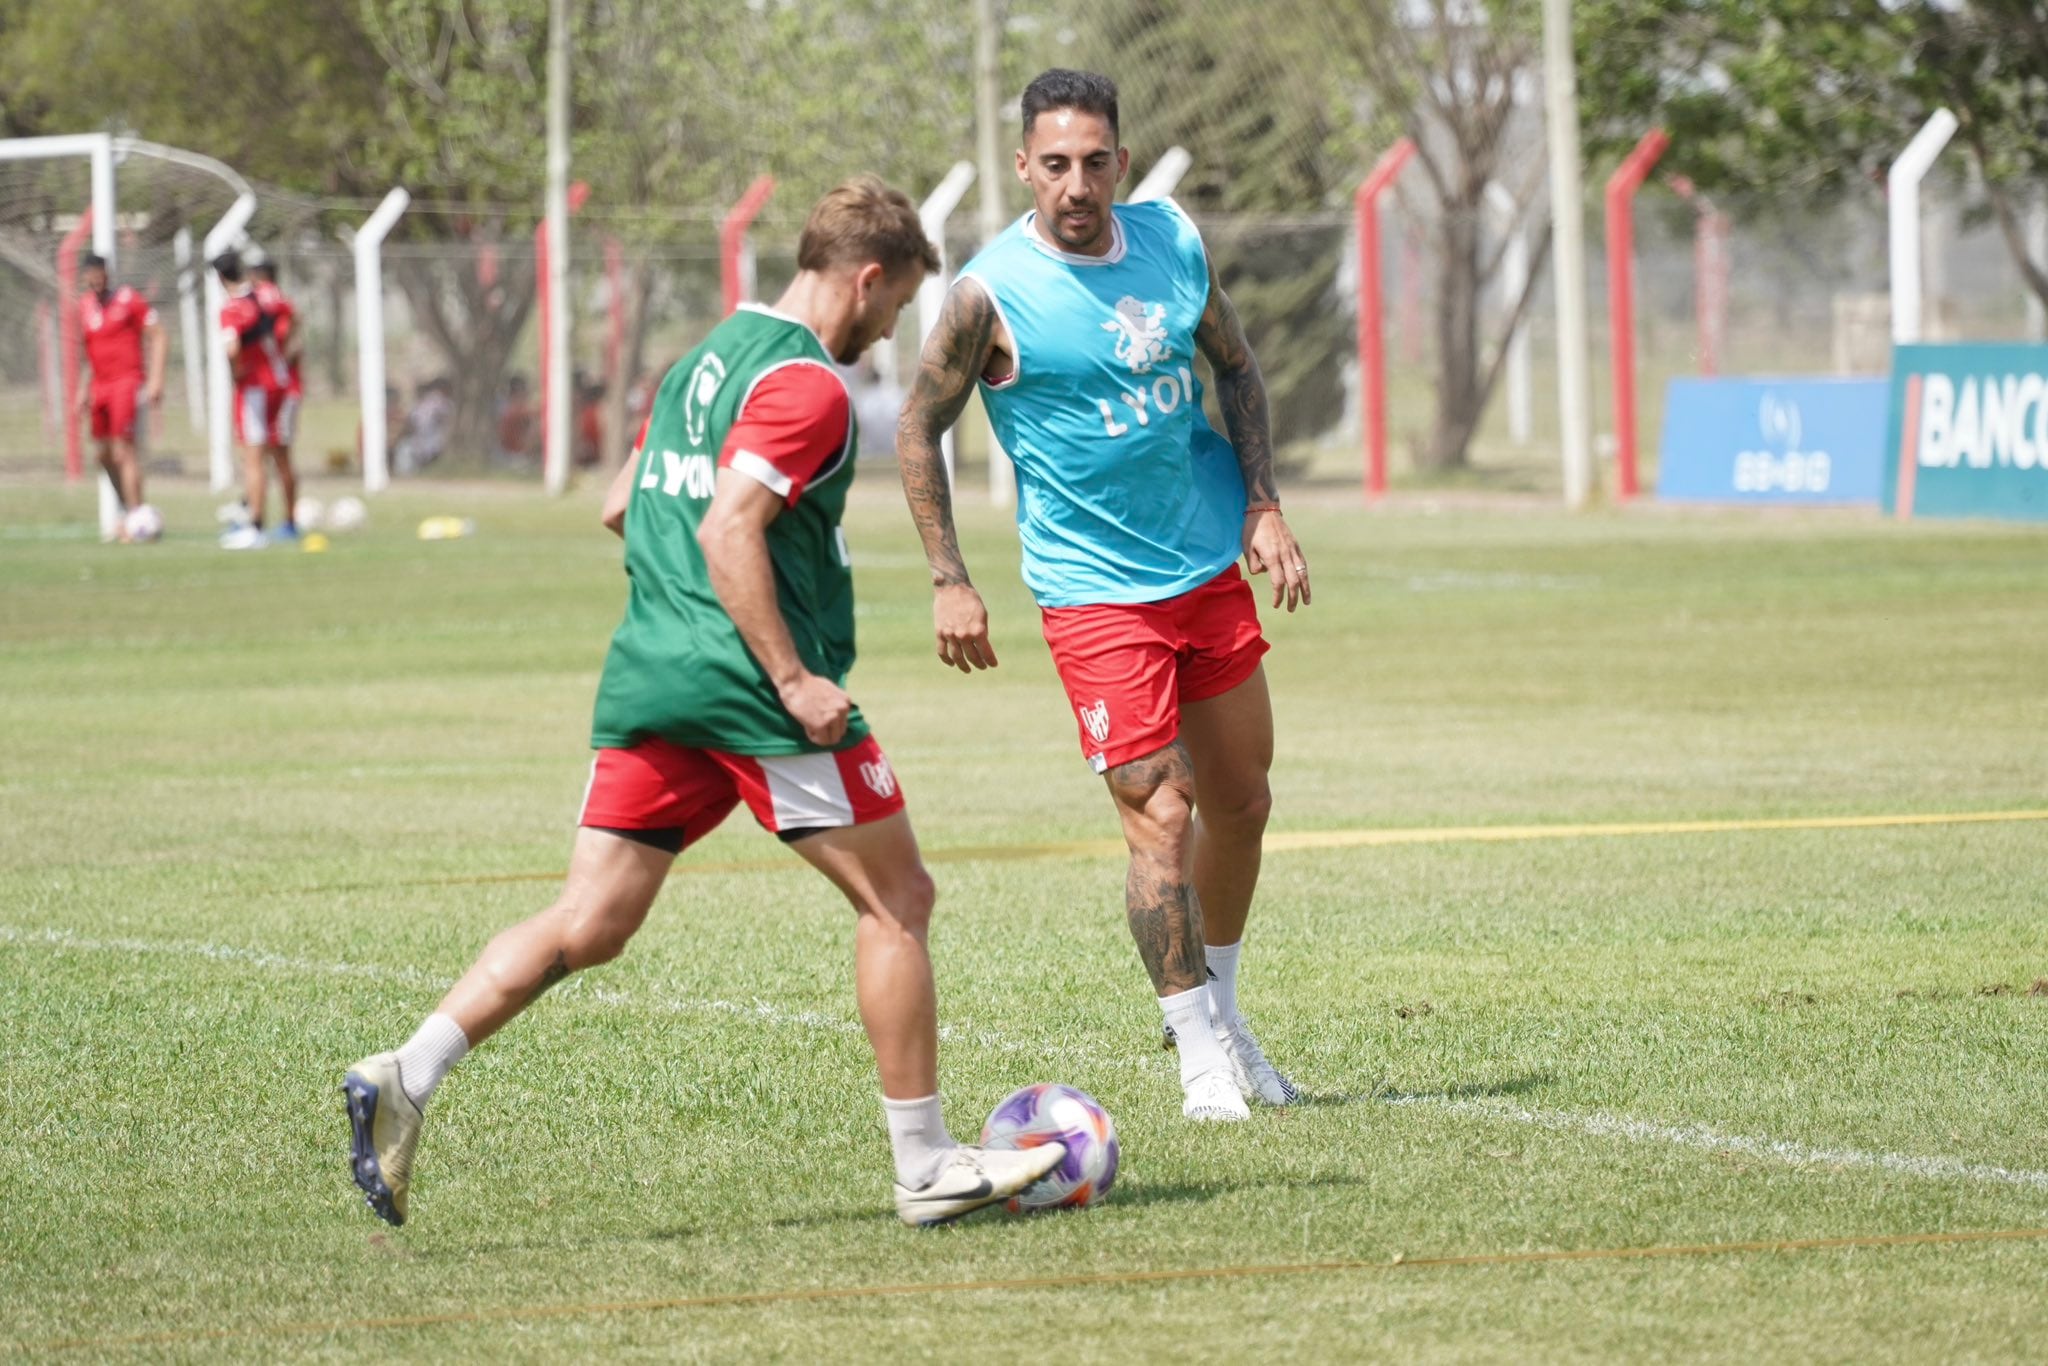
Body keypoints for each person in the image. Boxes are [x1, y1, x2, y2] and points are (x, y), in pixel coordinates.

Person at [341, 176, 1064, 1230]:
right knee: (897, 900)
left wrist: (683, 611)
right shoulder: (807, 386)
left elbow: (619, 502)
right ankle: (924, 1165)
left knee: (589, 920)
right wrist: (790, 678)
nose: (886, 330)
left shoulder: (700, 358)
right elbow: (729, 528)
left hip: (650, 675)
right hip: (747, 689)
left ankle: (407, 1070)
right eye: (893, 306)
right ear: (865, 278)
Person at [897, 69, 1312, 1123]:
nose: (1074, 184)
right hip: (1093, 597)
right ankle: (1194, 1054)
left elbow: (1238, 365)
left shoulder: (1169, 240)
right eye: (1053, 165)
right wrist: (949, 576)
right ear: (1024, 169)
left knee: (1243, 802)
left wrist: (1261, 503)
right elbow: (915, 428)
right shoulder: (988, 294)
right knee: (1158, 817)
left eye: (1092, 162)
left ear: (1119, 163)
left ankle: (1219, 1008)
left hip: (1204, 568)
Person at [212, 250, 298, 549]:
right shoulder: (265, 297)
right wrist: (286, 352)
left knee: (253, 457)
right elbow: (291, 319)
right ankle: (286, 521)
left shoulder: (231, 308)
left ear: (220, 278)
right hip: (280, 382)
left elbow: (232, 348)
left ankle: (255, 525)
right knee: (278, 455)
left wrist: (235, 373)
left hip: (255, 387)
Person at [76, 254, 166, 533]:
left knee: (124, 452)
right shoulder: (85, 307)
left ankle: (137, 517)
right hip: (99, 387)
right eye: (91, 276)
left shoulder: (129, 299)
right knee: (102, 456)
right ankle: (131, 508)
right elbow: (89, 354)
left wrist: (156, 379)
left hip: (126, 383)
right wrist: (82, 389)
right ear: (84, 277)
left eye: (100, 275)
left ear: (108, 274)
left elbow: (159, 335)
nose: (97, 280)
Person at [249, 255, 304, 529]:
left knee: (279, 454)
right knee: (257, 452)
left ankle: (290, 520)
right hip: (266, 390)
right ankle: (253, 512)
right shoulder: (264, 312)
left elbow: (294, 336)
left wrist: (285, 353)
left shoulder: (279, 310)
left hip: (284, 391)